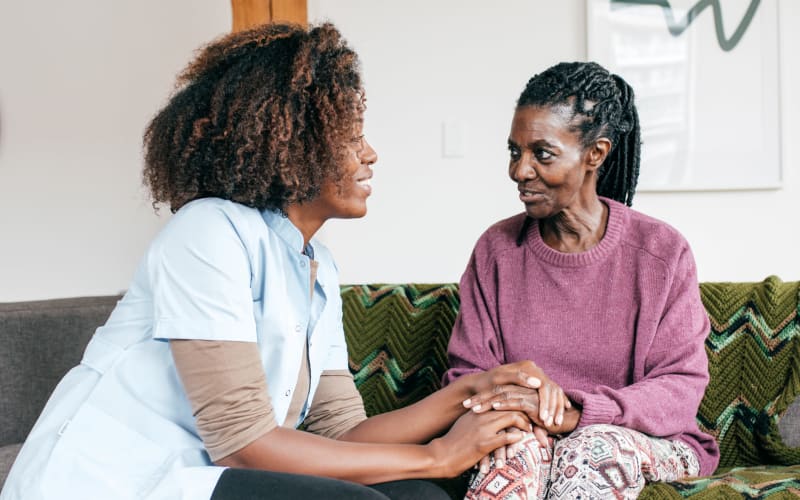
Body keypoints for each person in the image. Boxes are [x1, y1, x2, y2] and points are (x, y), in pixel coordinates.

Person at [0, 22, 543, 500]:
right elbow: (241, 443)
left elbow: (339, 432)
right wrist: (437, 456)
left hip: (207, 476)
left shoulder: (317, 267)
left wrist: (471, 392)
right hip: (117, 482)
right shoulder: (208, 232)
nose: (371, 153)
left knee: (418, 496)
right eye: (351, 137)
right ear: (293, 146)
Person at [442, 61, 720, 499]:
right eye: (515, 152)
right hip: (527, 431)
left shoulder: (662, 253)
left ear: (595, 154)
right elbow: (466, 375)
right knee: (513, 448)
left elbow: (680, 387)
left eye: (542, 154)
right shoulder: (495, 250)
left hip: (648, 441)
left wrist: (577, 412)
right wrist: (524, 415)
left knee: (589, 448)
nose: (520, 171)